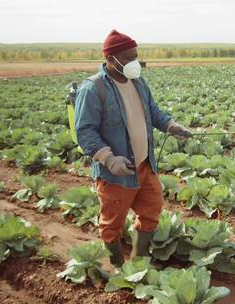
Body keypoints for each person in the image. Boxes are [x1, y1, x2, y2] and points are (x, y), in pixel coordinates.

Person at [74, 29, 191, 267]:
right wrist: (109, 159)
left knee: (151, 211)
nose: (133, 62)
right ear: (110, 58)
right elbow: (84, 131)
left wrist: (171, 125)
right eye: (128, 58)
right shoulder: (93, 89)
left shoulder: (138, 82)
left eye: (135, 56)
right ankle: (117, 264)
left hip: (145, 165)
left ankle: (139, 262)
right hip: (117, 172)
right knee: (112, 223)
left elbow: (153, 112)